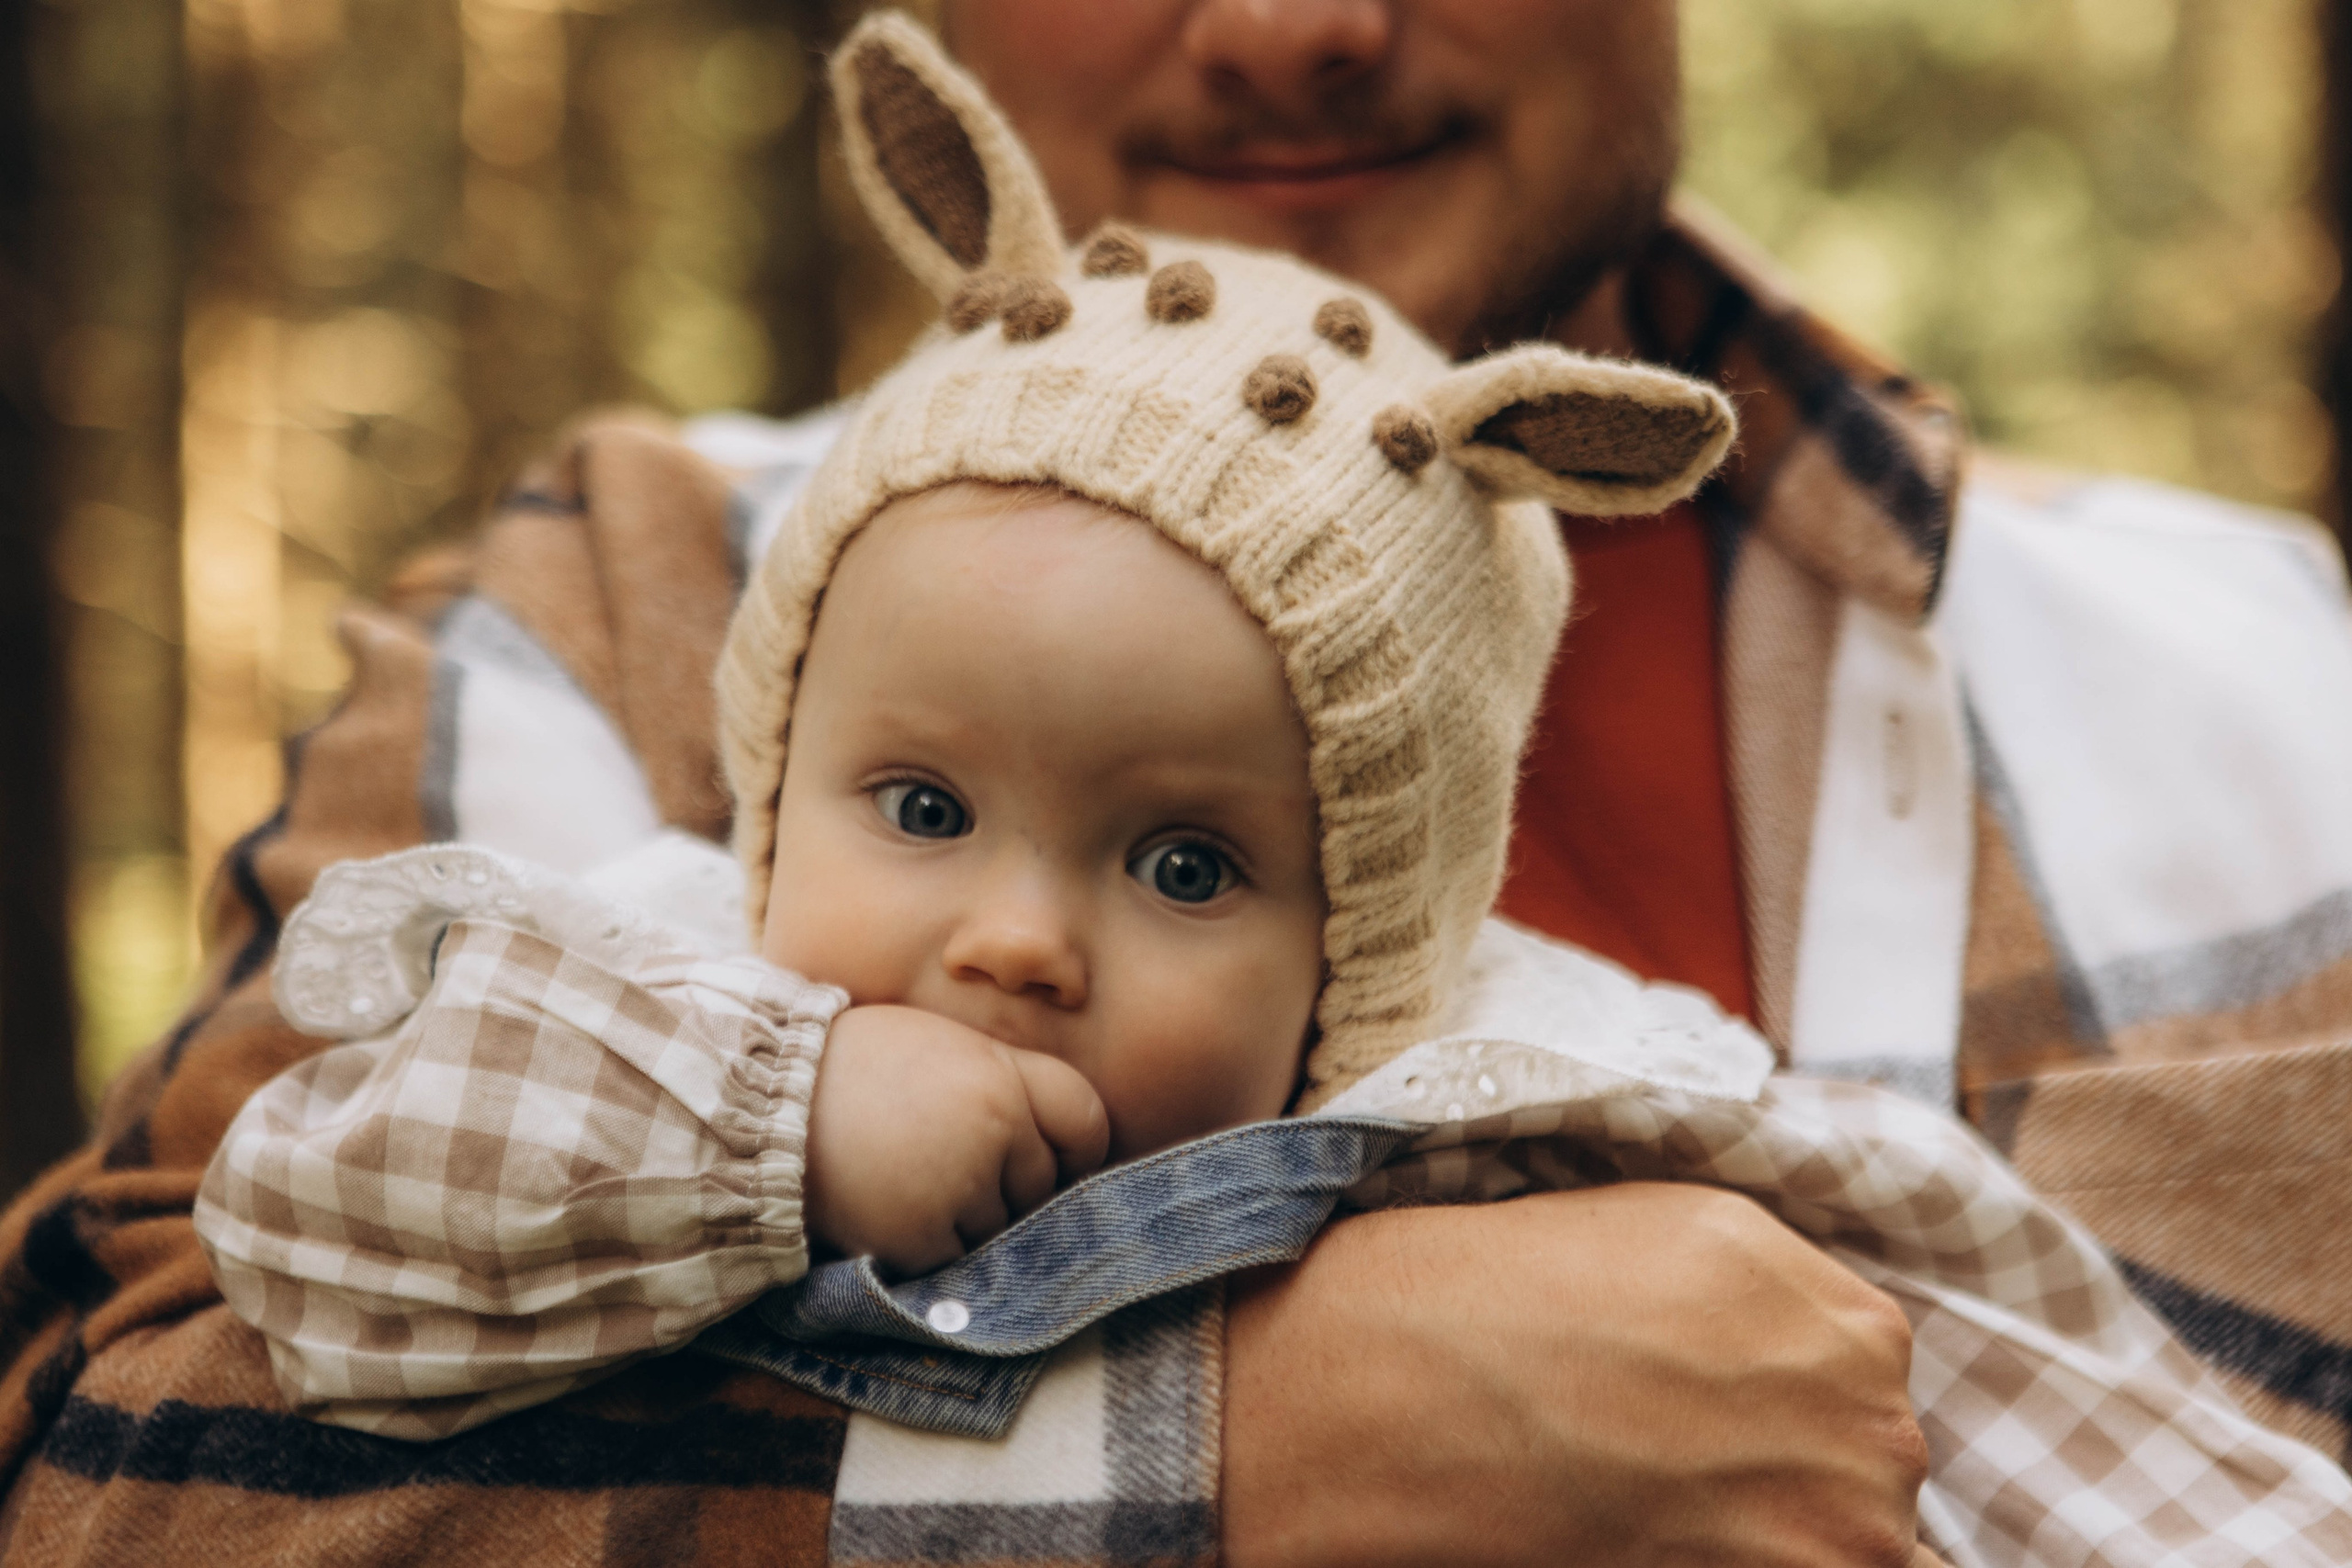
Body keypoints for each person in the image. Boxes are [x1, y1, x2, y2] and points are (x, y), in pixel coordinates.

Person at [4, 1, 2349, 1564]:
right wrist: (1248, 1450)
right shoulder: (608, 625)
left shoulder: (2263, 690)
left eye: (1190, 860)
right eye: (913, 800)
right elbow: (116, 1470)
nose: (1290, 21)